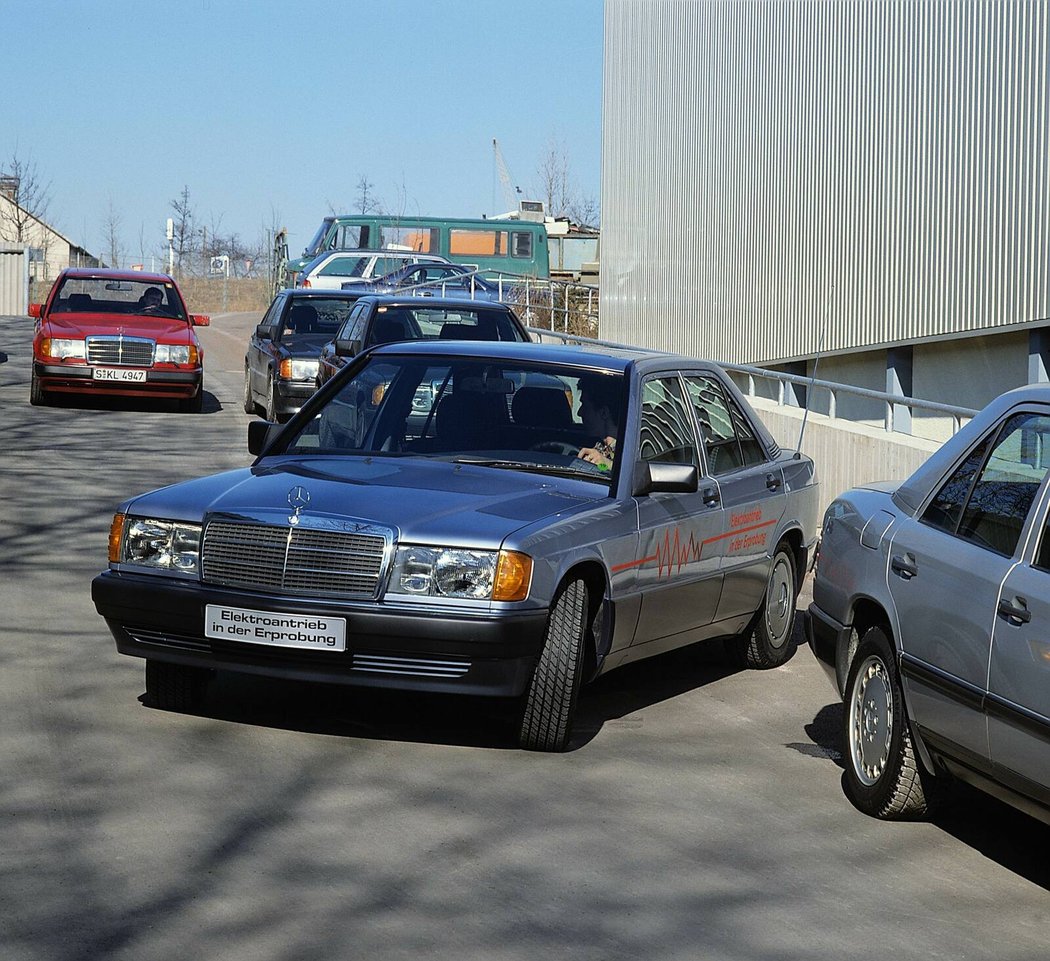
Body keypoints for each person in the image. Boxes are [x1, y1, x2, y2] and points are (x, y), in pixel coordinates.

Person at [576, 375, 621, 470]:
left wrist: (607, 465)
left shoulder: (629, 452)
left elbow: (631, 477)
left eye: (585, 406)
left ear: (604, 413)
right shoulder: (597, 445)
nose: (579, 413)